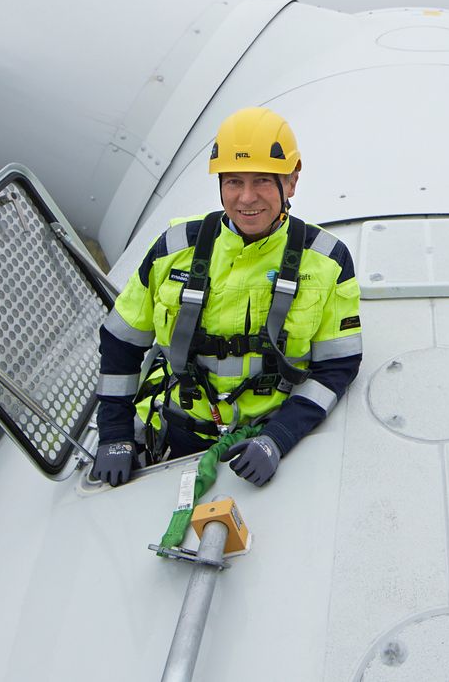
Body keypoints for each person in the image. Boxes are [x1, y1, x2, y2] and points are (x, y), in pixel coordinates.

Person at [88, 106, 362, 487]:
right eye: (233, 182)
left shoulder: (327, 262)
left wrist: (278, 437)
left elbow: (337, 366)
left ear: (292, 180)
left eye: (262, 181)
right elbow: (121, 342)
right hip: (176, 437)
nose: (246, 198)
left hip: (265, 442)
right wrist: (115, 434)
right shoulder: (174, 250)